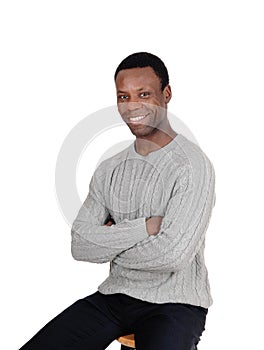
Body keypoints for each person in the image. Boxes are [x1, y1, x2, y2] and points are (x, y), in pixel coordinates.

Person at [20, 52, 216, 350]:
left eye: (144, 94)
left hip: (176, 304)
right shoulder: (109, 168)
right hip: (115, 297)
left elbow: (174, 255)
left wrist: (111, 241)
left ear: (167, 94)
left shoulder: (192, 165)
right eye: (123, 96)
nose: (132, 105)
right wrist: (145, 229)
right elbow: (80, 244)